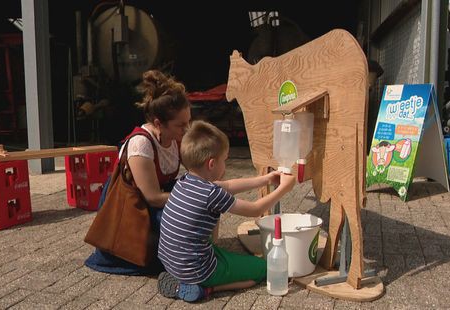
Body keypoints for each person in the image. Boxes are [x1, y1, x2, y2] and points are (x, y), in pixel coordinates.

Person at [156, 120, 296, 302]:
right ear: (212, 164)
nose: (226, 164)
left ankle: (187, 280)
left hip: (171, 262)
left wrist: (266, 179)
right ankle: (204, 289)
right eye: (225, 160)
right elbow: (256, 209)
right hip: (198, 269)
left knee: (226, 256)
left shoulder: (184, 181)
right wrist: (284, 188)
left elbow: (228, 185)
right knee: (262, 269)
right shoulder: (211, 194)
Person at [85, 70, 191, 275]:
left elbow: (197, 170)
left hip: (157, 197)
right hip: (134, 206)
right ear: (159, 123)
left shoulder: (175, 137)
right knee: (180, 216)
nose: (186, 129)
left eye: (188, 122)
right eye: (181, 125)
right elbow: (152, 197)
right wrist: (192, 198)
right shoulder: (141, 144)